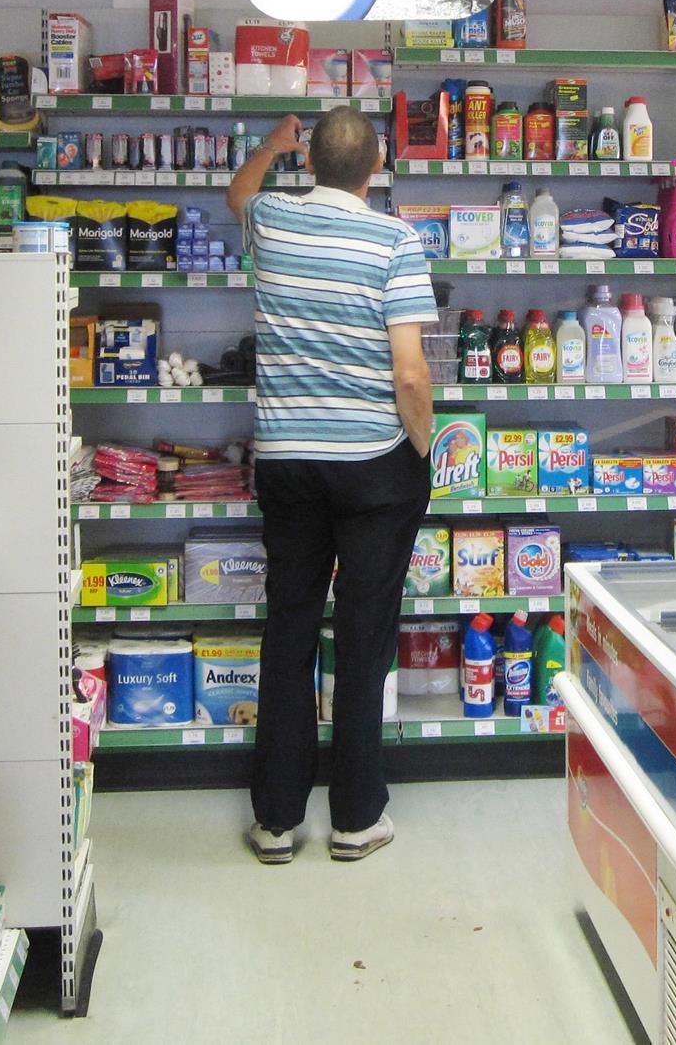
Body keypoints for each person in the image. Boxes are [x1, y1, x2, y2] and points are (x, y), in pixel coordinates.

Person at [226, 106, 436, 863]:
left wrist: (267, 145)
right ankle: (355, 818)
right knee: (363, 635)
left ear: (309, 162)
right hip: (373, 463)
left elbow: (237, 193)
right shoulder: (394, 240)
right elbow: (410, 370)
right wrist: (422, 447)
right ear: (374, 169)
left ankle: (276, 820)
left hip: (287, 461)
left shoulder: (273, 219)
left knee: (289, 627)